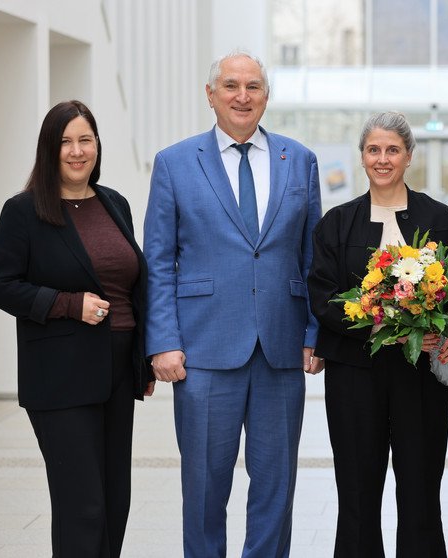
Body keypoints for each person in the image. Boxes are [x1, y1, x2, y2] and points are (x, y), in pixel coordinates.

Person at [143, 51, 323, 557]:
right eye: (230, 86)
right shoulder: (175, 163)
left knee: (276, 486)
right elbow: (157, 262)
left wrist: (314, 334)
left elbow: (313, 260)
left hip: (281, 349)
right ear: (210, 95)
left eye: (253, 87)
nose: (242, 96)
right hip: (201, 351)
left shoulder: (299, 160)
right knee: (203, 488)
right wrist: (163, 343)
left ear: (266, 96)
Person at [0, 100, 155, 557]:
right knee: (83, 505)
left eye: (85, 140)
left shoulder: (114, 203)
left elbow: (132, 284)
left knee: (115, 500)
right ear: (49, 149)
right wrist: (67, 304)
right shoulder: (23, 211)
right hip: (60, 377)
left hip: (119, 371)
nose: (77, 151)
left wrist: (145, 360)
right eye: (65, 142)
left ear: (97, 145)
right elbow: (0, 285)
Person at [307, 111, 448, 557]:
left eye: (392, 150)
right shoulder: (337, 224)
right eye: (374, 149)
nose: (383, 159)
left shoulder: (440, 218)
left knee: (420, 491)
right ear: (362, 157)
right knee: (357, 493)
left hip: (421, 378)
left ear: (409, 156)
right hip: (355, 374)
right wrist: (379, 324)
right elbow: (322, 296)